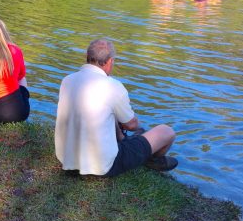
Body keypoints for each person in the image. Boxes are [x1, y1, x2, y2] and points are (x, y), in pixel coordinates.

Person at [55, 39, 178, 176]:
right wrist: (135, 125)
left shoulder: (67, 80)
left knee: (108, 113)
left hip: (66, 158)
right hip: (102, 166)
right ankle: (151, 160)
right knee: (166, 132)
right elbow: (132, 125)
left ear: (87, 56)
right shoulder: (113, 86)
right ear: (110, 61)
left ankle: (129, 142)